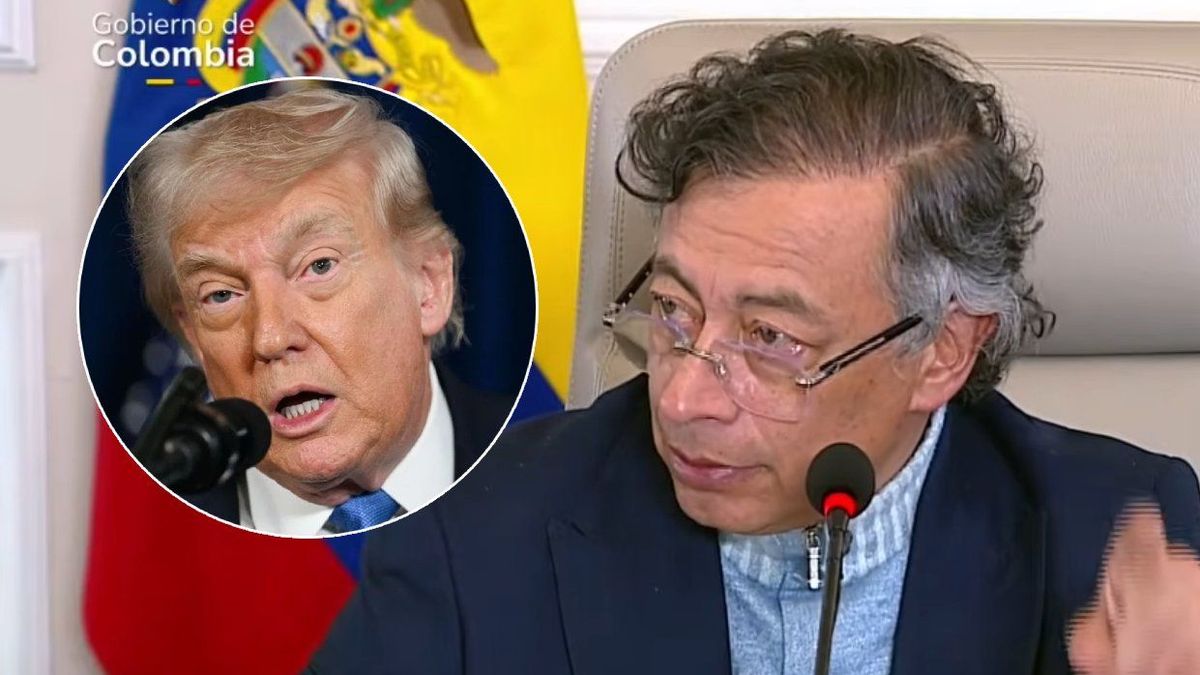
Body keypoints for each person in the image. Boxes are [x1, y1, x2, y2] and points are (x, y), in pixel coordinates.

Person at [309, 30, 1200, 672]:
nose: (683, 399)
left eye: (771, 338)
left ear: (944, 350)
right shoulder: (473, 531)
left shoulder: (1121, 540)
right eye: (672, 311)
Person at [124, 86, 512, 536]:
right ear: (192, 336)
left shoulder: (551, 469)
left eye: (319, 266)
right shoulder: (145, 539)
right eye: (222, 295)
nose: (270, 338)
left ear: (428, 285)